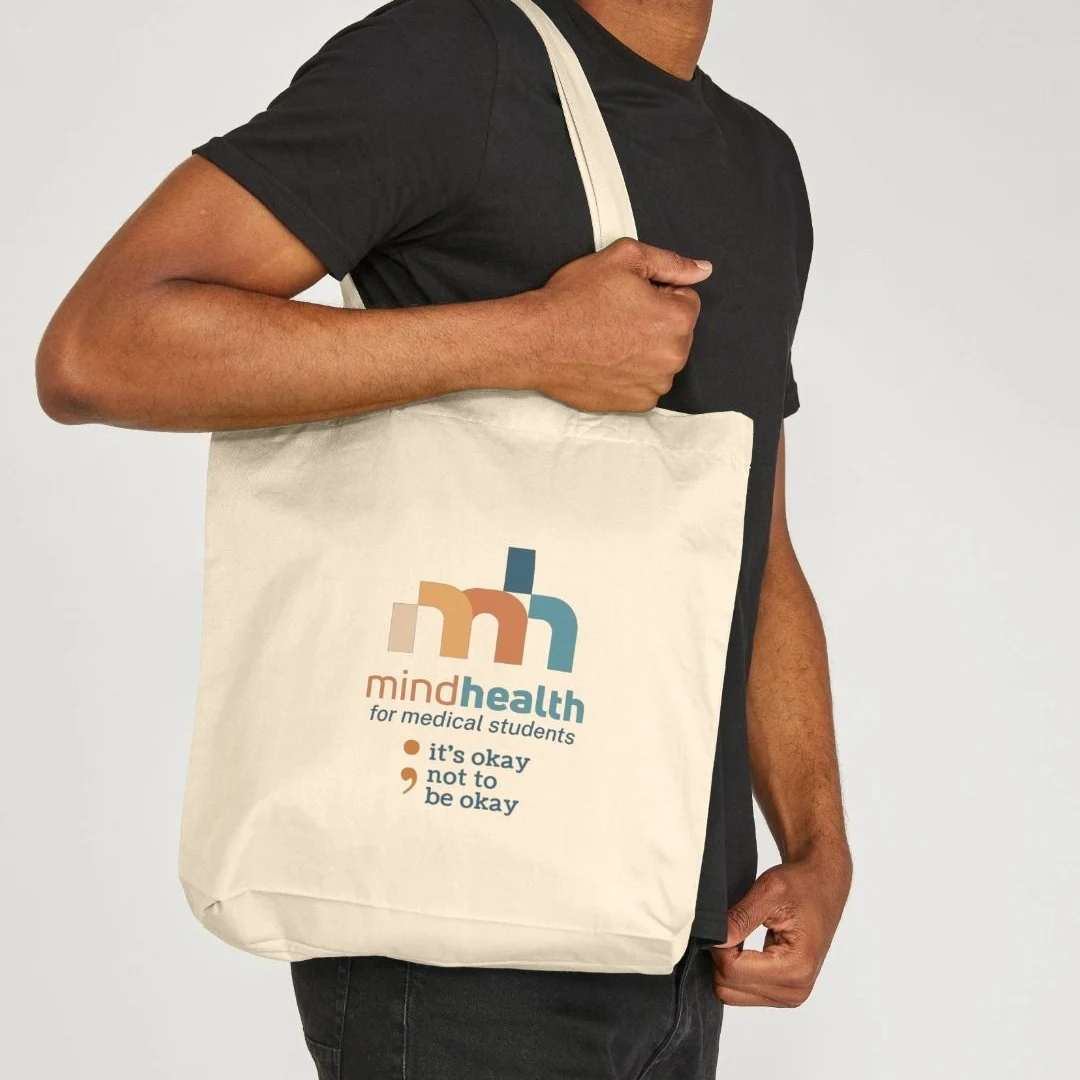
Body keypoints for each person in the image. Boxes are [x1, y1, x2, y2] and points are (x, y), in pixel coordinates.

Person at [35, 0, 851, 1075]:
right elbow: (97, 348)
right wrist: (527, 339)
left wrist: (819, 849)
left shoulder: (760, 164)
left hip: (680, 933)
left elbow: (756, 542)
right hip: (456, 926)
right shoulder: (453, 61)